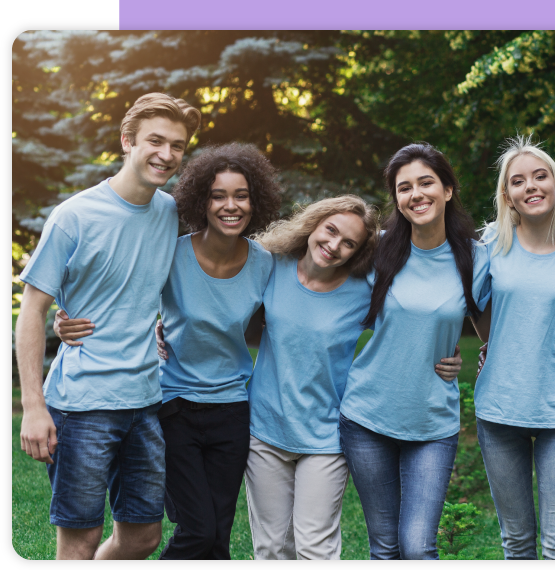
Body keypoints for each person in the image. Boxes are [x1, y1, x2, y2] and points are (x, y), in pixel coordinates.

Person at [55, 142, 283, 559]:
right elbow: (121, 298)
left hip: (233, 409)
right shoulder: (172, 254)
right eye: (218, 195)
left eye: (241, 195)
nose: (230, 206)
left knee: (218, 536)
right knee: (197, 530)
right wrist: (63, 315)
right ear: (202, 200)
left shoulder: (265, 264)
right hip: (174, 407)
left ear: (256, 201)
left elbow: (302, 309)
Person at [16, 93, 201, 560]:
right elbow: (31, 310)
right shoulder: (74, 216)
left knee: (143, 538)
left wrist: (159, 325)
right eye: (155, 141)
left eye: (177, 145)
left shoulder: (168, 212)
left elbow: (146, 286)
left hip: (143, 400)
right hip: (81, 407)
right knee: (78, 544)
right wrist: (33, 408)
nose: (166, 154)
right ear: (126, 140)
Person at [337, 143, 488, 560]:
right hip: (368, 415)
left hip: (432, 420)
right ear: (397, 200)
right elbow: (321, 294)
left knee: (418, 549)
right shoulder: (377, 248)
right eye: (405, 188)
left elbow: (498, 326)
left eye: (426, 183)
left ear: (448, 190)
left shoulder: (476, 258)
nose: (416, 194)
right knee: (384, 548)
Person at [471, 137, 555, 559]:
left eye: (540, 176)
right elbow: (476, 309)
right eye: (518, 181)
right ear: (508, 196)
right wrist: (495, 341)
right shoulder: (490, 244)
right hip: (499, 404)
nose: (531, 186)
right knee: (517, 539)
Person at [242, 196, 379, 560]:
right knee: (271, 548)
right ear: (313, 225)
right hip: (266, 429)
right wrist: (166, 329)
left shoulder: (365, 289)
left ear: (358, 251)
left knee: (315, 548)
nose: (334, 246)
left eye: (348, 243)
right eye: (330, 230)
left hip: (327, 436)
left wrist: (448, 353)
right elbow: (218, 302)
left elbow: (413, 323)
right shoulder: (269, 265)